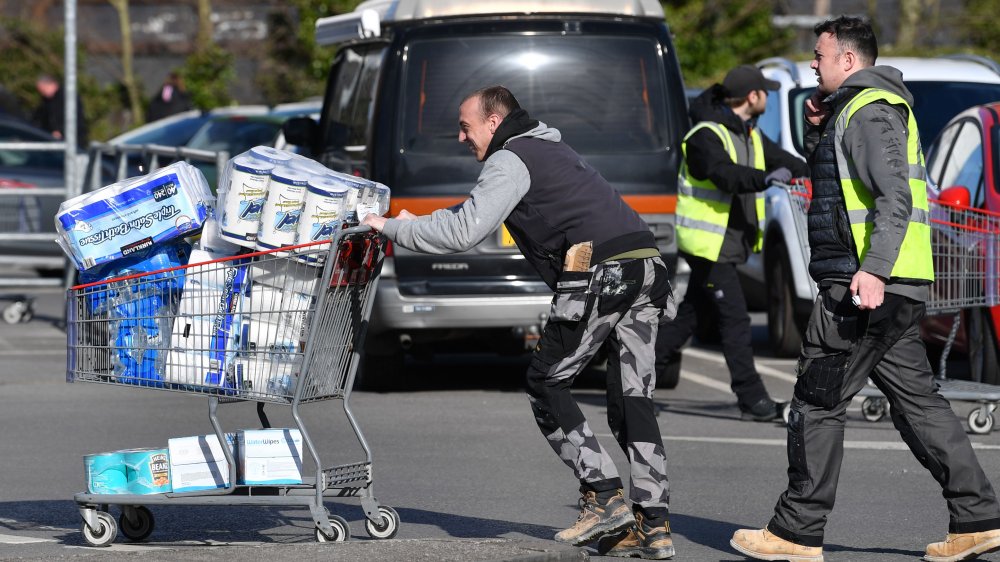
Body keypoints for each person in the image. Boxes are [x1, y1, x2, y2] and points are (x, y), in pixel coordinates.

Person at [362, 85, 677, 559]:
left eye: (466, 126)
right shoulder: (548, 145)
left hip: (603, 273)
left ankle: (605, 498)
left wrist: (389, 226)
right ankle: (654, 528)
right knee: (631, 398)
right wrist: (412, 220)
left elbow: (464, 231)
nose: (461, 137)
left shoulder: (511, 158)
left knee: (546, 381)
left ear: (494, 121)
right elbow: (470, 216)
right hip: (647, 267)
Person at [730, 15, 1000, 562]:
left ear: (847, 61)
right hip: (887, 284)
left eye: (820, 55)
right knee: (917, 403)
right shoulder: (852, 110)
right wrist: (814, 129)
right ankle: (978, 518)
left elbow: (893, 197)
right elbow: (836, 184)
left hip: (866, 286)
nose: (813, 63)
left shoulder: (870, 111)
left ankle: (795, 532)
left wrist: (873, 270)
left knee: (816, 399)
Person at [655, 65, 809, 421]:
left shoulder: (748, 133)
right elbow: (723, 174)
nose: (767, 97)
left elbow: (785, 161)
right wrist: (765, 178)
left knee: (691, 316)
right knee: (736, 320)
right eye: (765, 92)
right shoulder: (704, 136)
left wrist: (818, 170)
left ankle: (631, 376)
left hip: (726, 245)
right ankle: (751, 397)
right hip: (709, 247)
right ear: (752, 97)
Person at [32, 74, 88, 148]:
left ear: (52, 84)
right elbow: (39, 117)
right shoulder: (46, 101)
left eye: (43, 89)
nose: (43, 93)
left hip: (72, 138)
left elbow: (74, 118)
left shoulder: (67, 97)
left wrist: (60, 131)